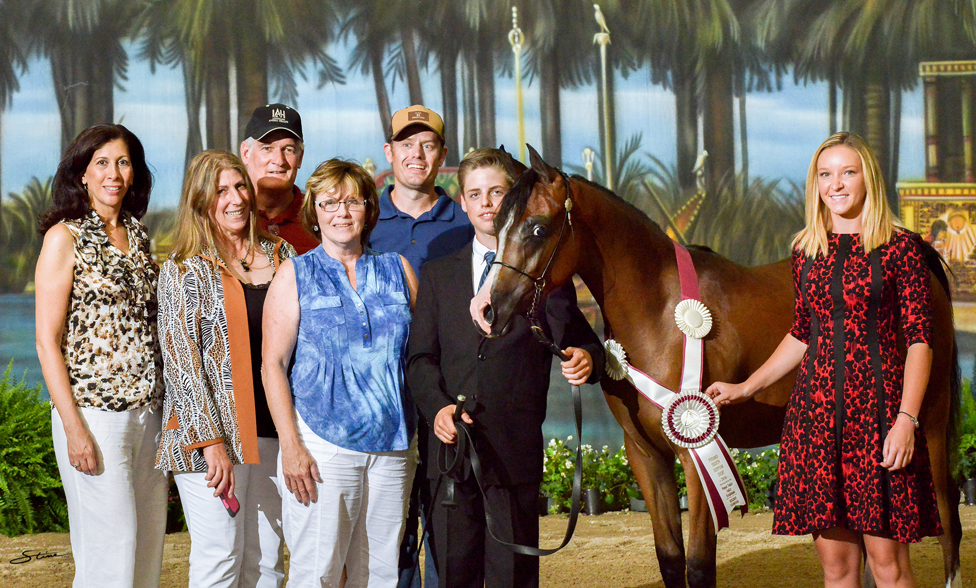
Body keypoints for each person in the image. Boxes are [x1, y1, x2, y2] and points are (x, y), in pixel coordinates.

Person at [707, 132, 942, 588]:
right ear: (815, 184)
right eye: (825, 174)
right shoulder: (806, 251)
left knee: (891, 569)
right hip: (814, 422)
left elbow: (919, 341)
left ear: (868, 178)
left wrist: (906, 420)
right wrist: (746, 387)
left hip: (880, 420)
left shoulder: (900, 247)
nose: (836, 184)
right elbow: (803, 333)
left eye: (847, 172)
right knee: (836, 572)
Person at [406, 148, 605, 588]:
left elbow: (582, 340)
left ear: (513, 198)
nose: (487, 203)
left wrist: (588, 358)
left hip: (513, 458)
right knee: (454, 574)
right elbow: (419, 359)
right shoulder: (439, 275)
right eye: (475, 194)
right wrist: (438, 407)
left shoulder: (545, 276)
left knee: (511, 579)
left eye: (497, 192)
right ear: (463, 203)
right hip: (450, 458)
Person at [262, 159, 419, 587]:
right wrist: (291, 446)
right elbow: (272, 365)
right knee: (317, 573)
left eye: (352, 201)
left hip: (394, 446)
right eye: (330, 203)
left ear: (368, 209)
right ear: (315, 211)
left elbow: (423, 357)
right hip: (322, 446)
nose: (342, 212)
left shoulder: (399, 270)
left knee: (382, 574)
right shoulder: (295, 272)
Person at [34, 124, 168, 588]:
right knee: (110, 558)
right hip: (95, 416)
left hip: (148, 417)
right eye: (102, 163)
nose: (114, 173)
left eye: (124, 162)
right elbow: (47, 341)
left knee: (147, 556)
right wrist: (74, 428)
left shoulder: (139, 235)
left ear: (135, 174)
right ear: (83, 175)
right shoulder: (64, 238)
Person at [155, 150, 294, 587]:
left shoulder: (284, 253)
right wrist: (210, 442)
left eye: (239, 186)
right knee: (220, 560)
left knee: (267, 562)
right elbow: (181, 363)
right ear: (201, 200)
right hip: (210, 440)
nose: (234, 199)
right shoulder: (182, 269)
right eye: (220, 191)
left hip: (274, 431)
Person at [371, 104, 473, 588]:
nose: (417, 153)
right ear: (389, 152)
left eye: (427, 144)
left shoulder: (468, 223)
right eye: (406, 144)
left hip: (444, 393)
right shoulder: (361, 220)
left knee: (446, 518)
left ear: (442, 154)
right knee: (388, 523)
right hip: (381, 393)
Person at [240, 103, 318, 255]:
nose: (279, 160)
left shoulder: (319, 216)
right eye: (267, 148)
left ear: (300, 158)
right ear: (245, 153)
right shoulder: (226, 215)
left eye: (288, 150)